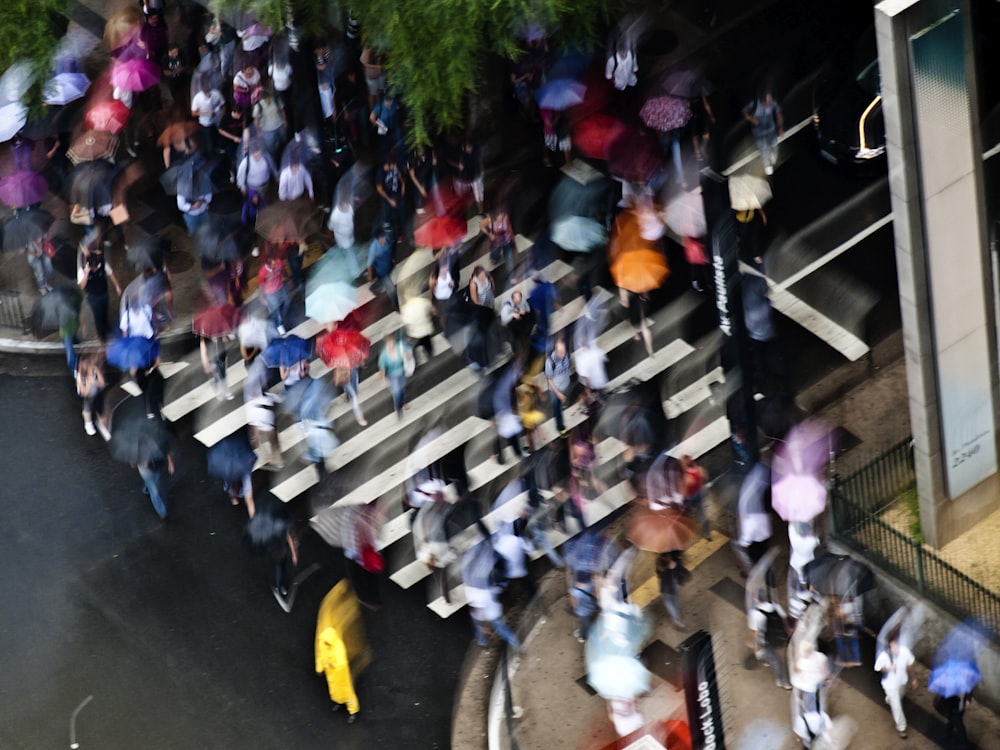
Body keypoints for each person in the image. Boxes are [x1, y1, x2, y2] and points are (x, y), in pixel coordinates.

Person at [874, 631, 916, 739]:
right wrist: (888, 668)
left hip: (902, 682)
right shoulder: (884, 656)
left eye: (896, 645)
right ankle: (902, 728)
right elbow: (878, 668)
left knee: (898, 697)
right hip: (890, 685)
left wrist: (914, 679)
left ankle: (889, 700)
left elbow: (910, 664)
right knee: (897, 706)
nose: (894, 648)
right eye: (892, 646)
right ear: (889, 646)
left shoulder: (905, 651)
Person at [78, 240, 122, 342]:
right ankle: (101, 335)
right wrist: (87, 274)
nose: (95, 269)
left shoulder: (102, 263)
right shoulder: (83, 269)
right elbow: (82, 286)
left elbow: (111, 273)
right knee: (97, 316)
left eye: (96, 267)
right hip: (93, 297)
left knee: (105, 311)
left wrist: (117, 286)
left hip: (104, 293)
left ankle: (107, 328)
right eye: (93, 267)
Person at [742, 88, 784, 175]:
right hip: (759, 132)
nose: (770, 101)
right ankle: (767, 165)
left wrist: (780, 127)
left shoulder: (772, 103)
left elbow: (778, 112)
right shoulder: (754, 104)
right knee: (763, 149)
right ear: (763, 99)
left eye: (770, 98)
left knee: (774, 145)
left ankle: (773, 158)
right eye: (768, 99)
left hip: (770, 130)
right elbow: (744, 112)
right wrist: (752, 120)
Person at [545, 335, 572, 437]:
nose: (562, 354)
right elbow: (549, 380)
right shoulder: (550, 362)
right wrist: (558, 394)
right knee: (557, 410)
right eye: (560, 352)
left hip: (565, 384)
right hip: (555, 390)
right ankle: (560, 429)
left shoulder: (566, 355)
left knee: (564, 398)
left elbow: (569, 363)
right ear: (555, 350)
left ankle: (564, 402)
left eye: (564, 351)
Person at [75, 352, 107, 436]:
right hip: (87, 394)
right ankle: (88, 423)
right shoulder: (80, 377)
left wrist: (96, 382)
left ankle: (102, 422)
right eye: (91, 366)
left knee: (101, 407)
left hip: (96, 392)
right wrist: (89, 385)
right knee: (87, 408)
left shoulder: (95, 370)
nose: (93, 367)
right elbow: (84, 393)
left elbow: (102, 383)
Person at [378, 332, 409, 419]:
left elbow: (408, 351)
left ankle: (402, 402)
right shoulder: (383, 355)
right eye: (389, 344)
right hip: (392, 376)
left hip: (402, 372)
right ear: (386, 344)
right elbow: (382, 369)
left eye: (392, 343)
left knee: (402, 390)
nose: (391, 345)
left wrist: (406, 356)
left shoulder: (400, 347)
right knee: (396, 393)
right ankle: (398, 410)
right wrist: (383, 379)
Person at [680, 453, 711, 539]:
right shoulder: (700, 469)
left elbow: (685, 492)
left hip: (691, 498)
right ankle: (707, 533)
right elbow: (706, 477)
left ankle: (686, 532)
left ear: (685, 465)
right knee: (702, 515)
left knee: (686, 514)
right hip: (700, 494)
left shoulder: (687, 477)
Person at [367, 224, 397, 310]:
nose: (383, 240)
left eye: (383, 237)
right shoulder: (373, 248)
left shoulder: (388, 238)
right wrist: (370, 275)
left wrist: (393, 260)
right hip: (382, 271)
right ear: (376, 239)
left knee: (382, 282)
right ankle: (395, 305)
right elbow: (369, 263)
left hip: (389, 266)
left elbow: (392, 249)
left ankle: (374, 288)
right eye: (380, 239)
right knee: (391, 289)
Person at [481, 207, 516, 281]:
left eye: (501, 213)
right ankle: (494, 257)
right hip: (496, 242)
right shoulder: (490, 220)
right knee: (494, 257)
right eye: (498, 214)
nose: (500, 215)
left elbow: (509, 227)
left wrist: (512, 238)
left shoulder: (505, 217)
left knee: (508, 258)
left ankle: (512, 275)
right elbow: (481, 226)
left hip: (507, 241)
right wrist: (489, 234)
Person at [451, 137, 484, 214]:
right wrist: (458, 166)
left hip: (476, 176)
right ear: (464, 148)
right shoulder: (461, 154)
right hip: (465, 178)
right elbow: (457, 164)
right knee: (462, 195)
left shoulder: (476, 151)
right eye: (468, 147)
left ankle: (481, 210)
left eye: (471, 146)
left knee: (479, 194)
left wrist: (482, 170)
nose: (470, 148)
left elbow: (480, 160)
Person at [258, 254, 288, 335]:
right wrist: (261, 296)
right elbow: (261, 285)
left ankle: (278, 317)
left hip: (280, 288)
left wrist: (288, 278)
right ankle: (279, 325)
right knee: (276, 311)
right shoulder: (263, 272)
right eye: (272, 264)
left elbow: (283, 270)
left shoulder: (279, 262)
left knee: (286, 304)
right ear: (267, 264)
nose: (275, 265)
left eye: (275, 262)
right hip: (270, 293)